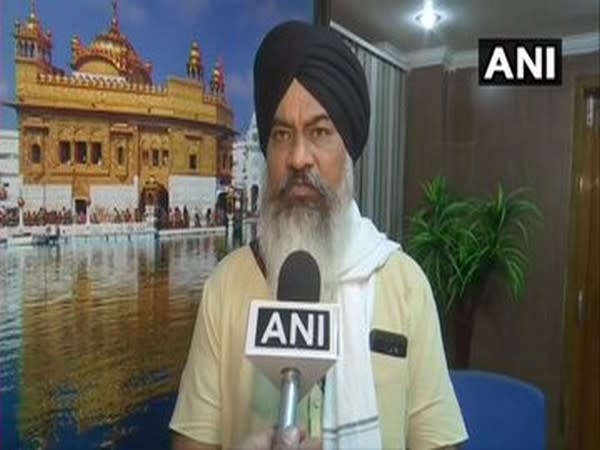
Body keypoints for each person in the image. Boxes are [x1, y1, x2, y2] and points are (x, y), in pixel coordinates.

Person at [170, 20, 467, 450]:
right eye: (281, 134)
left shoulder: (405, 286)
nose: (298, 158)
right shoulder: (225, 285)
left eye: (320, 132)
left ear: (349, 151)